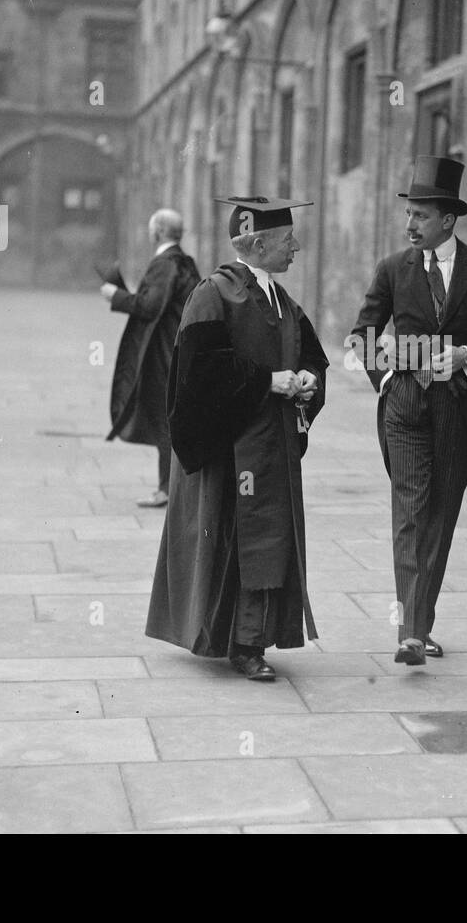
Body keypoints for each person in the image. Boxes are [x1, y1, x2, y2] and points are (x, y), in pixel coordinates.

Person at [145, 196, 328, 681]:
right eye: (288, 240)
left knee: (266, 543)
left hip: (273, 446)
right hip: (229, 447)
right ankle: (241, 644)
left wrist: (308, 380)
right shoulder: (214, 294)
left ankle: (251, 639)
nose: (296, 247)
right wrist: (268, 381)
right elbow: (199, 372)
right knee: (236, 543)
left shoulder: (281, 300)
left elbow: (313, 356)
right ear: (260, 243)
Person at [350, 156, 467, 665]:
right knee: (409, 512)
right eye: (408, 215)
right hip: (404, 406)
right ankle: (409, 631)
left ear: (448, 220)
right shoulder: (391, 270)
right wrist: (385, 381)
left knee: (440, 518)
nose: (409, 225)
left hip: (456, 410)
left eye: (420, 216)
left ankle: (419, 625)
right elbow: (362, 336)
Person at [102, 208, 201, 506]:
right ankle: (172, 489)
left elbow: (149, 305)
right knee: (169, 420)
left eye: (150, 229)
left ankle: (167, 491)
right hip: (179, 348)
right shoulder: (186, 262)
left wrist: (114, 295)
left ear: (157, 231)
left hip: (162, 353)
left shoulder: (163, 263)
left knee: (164, 420)